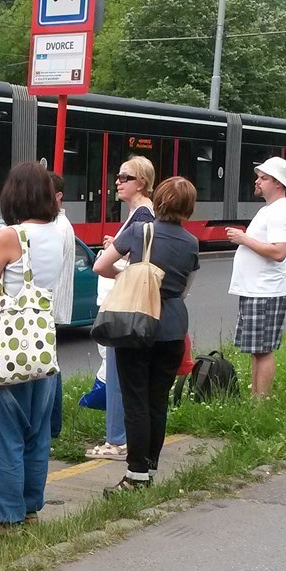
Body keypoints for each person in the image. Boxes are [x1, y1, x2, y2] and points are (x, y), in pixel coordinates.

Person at [0, 162, 69, 539]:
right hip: (42, 345)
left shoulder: (12, 235)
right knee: (36, 434)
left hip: (6, 349)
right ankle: (28, 511)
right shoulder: (59, 233)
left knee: (4, 434)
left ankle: (5, 518)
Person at [93, 177, 200, 493]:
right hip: (173, 328)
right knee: (157, 401)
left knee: (135, 400)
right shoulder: (192, 242)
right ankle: (150, 468)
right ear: (189, 207)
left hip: (138, 324)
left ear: (160, 200)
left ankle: (135, 474)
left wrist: (127, 276)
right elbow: (185, 290)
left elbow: (101, 266)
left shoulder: (140, 231)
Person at [86, 156, 155, 462]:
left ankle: (117, 440)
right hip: (130, 303)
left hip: (124, 304)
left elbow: (122, 265)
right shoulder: (140, 214)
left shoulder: (142, 215)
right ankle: (124, 438)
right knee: (124, 373)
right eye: (118, 176)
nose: (118, 182)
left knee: (117, 374)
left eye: (125, 177)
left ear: (141, 182)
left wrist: (120, 269)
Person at [226, 156, 286, 397]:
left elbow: (279, 252)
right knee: (257, 350)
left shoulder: (280, 211)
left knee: (263, 350)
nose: (257, 181)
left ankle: (260, 404)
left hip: (265, 290)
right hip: (257, 289)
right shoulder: (271, 209)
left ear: (278, 183)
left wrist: (244, 239)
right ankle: (256, 401)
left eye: (263, 178)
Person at [48, 172, 78, 442]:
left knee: (49, 367)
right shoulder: (59, 224)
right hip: (54, 303)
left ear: (58, 196)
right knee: (51, 364)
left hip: (50, 304)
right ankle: (53, 425)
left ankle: (53, 426)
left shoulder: (57, 226)